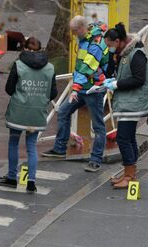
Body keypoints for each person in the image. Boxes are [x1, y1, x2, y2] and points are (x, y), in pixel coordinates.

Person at [41, 15, 110, 173]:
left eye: (73, 31)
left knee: (98, 125)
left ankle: (96, 159)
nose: (72, 34)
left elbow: (87, 68)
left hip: (93, 89)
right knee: (63, 111)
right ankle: (59, 149)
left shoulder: (96, 43)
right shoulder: (85, 38)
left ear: (81, 28)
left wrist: (75, 88)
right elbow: (81, 66)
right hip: (82, 87)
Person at [0, 37, 57, 193]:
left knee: (14, 142)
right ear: (40, 49)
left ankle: (11, 177)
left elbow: (9, 89)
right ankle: (31, 181)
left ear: (25, 49)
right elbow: (53, 92)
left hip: (18, 111)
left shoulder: (19, 65)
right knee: (31, 146)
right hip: (37, 113)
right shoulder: (50, 68)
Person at [103, 23, 148, 189]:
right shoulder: (122, 53)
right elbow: (110, 71)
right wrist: (111, 57)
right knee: (128, 138)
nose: (109, 49)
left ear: (119, 41)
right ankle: (129, 172)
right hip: (127, 103)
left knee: (123, 138)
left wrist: (117, 84)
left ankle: (130, 175)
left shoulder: (136, 54)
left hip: (133, 104)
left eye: (110, 45)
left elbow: (139, 79)